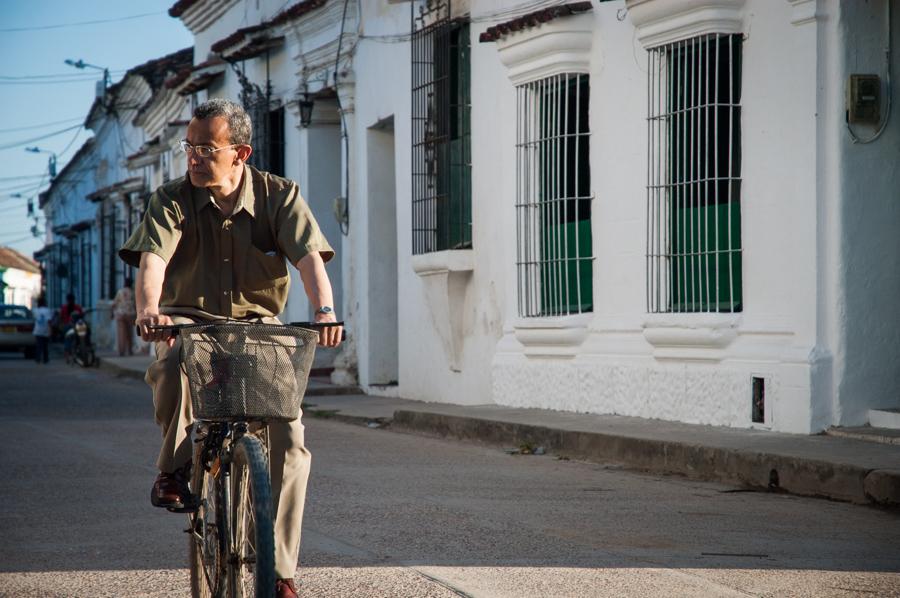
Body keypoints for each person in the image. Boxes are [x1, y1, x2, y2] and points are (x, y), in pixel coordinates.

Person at [119, 98, 341, 598]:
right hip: (190, 324)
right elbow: (153, 260)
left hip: (259, 329)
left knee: (289, 432)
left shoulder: (278, 196)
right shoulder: (171, 199)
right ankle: (174, 469)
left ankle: (281, 571)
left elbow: (309, 260)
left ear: (240, 152)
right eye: (189, 147)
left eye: (206, 148)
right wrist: (151, 309)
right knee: (173, 361)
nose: (194, 158)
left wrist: (324, 312)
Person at [111, 280, 136, 356]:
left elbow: (114, 303)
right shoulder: (132, 293)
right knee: (130, 333)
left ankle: (121, 351)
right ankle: (130, 350)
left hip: (120, 314)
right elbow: (136, 304)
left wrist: (111, 313)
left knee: (121, 334)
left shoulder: (120, 292)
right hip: (130, 314)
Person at [59, 293, 83, 362]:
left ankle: (67, 356)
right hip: (76, 326)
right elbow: (82, 316)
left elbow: (61, 318)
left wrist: (61, 326)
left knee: (67, 340)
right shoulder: (77, 307)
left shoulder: (64, 308)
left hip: (68, 326)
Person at [32, 296, 52, 364]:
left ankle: (38, 358)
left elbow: (34, 319)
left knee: (38, 345)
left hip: (37, 330)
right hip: (45, 329)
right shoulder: (47, 310)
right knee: (45, 345)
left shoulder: (35, 310)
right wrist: (50, 330)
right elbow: (49, 321)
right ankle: (45, 359)